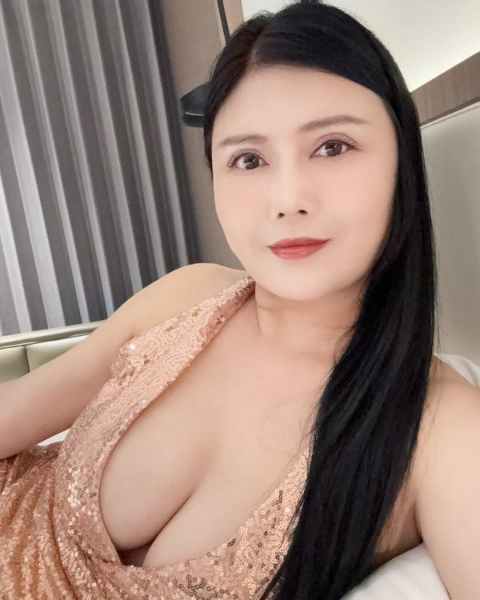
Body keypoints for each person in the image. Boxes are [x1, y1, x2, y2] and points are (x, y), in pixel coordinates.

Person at [0, 3, 479, 599]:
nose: (288, 199)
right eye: (248, 159)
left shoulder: (441, 431)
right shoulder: (188, 296)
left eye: (332, 146)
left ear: (402, 162)